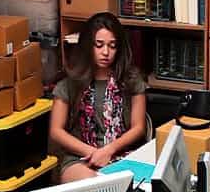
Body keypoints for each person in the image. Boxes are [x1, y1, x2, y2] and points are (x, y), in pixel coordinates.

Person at [50, 12, 147, 183]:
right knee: (96, 186)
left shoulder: (132, 80)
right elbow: (56, 131)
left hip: (121, 153)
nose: (105, 52)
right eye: (99, 45)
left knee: (132, 187)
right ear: (88, 46)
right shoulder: (69, 83)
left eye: (112, 46)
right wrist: (93, 153)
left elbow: (138, 128)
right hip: (79, 157)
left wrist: (109, 150)